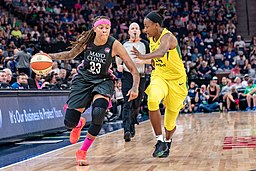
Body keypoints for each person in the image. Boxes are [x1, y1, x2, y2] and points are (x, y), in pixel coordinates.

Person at [47, 16, 140, 166]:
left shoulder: (115, 44)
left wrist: (135, 87)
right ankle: (78, 124)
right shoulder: (87, 41)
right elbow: (70, 55)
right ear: (95, 28)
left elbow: (133, 69)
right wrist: (50, 56)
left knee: (98, 114)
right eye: (101, 27)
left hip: (103, 81)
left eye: (107, 28)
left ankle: (82, 151)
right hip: (83, 80)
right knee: (69, 122)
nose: (104, 30)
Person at [131, 8, 188, 158]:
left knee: (170, 124)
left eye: (147, 26)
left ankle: (167, 141)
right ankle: (159, 140)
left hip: (177, 81)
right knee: (152, 99)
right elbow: (157, 59)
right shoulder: (151, 38)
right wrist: (150, 62)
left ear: (156, 25)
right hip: (160, 77)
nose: (144, 30)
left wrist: (143, 56)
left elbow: (162, 52)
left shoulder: (167, 36)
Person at [116, 22, 150, 142]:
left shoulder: (145, 44)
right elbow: (118, 56)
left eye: (136, 28)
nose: (134, 30)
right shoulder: (124, 44)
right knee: (127, 102)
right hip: (127, 75)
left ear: (139, 31)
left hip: (141, 76)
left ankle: (133, 122)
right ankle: (126, 130)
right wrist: (118, 65)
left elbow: (152, 58)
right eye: (132, 28)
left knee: (136, 103)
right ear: (129, 32)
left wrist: (144, 61)